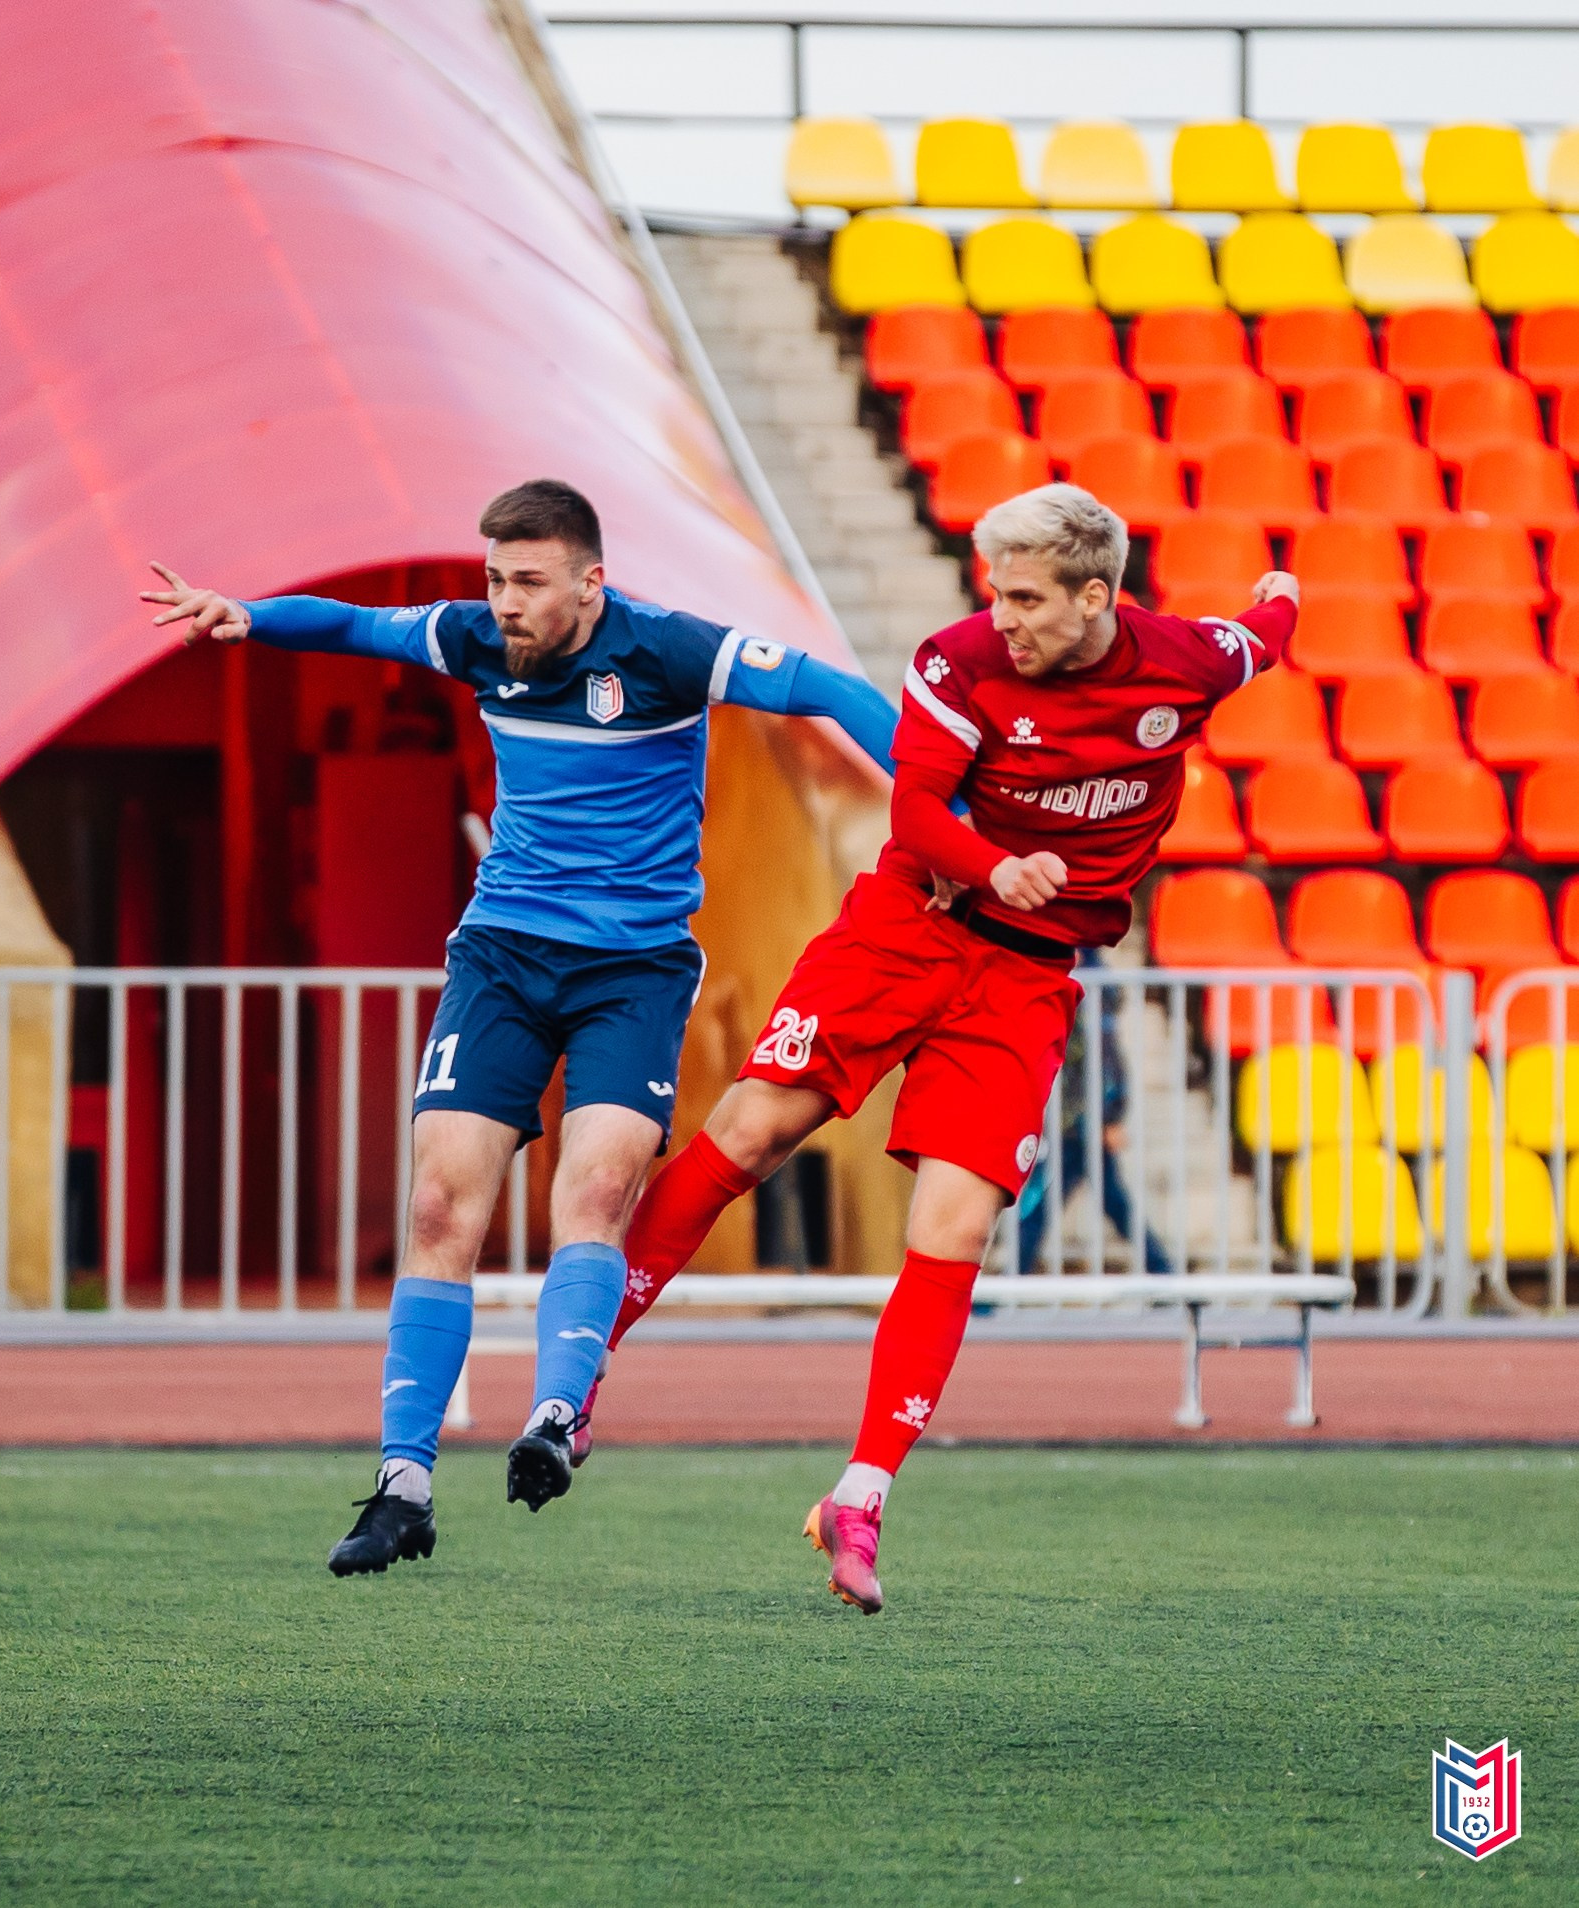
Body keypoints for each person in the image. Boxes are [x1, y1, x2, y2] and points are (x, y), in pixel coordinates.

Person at [141, 479, 898, 1576]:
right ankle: (403, 1487)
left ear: (590, 582)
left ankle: (553, 1415)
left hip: (632, 971)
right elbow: (354, 629)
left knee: (593, 1192)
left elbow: (829, 686)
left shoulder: (670, 651)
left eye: (528, 582)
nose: (503, 602)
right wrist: (248, 613)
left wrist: (941, 802)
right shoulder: (475, 639)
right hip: (499, 958)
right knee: (441, 1202)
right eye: (495, 578)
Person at [584, 483, 1297, 1613]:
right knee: (752, 1130)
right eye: (993, 591)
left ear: (1096, 596)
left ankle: (860, 1495)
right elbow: (913, 809)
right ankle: (582, 1367)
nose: (1000, 614)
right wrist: (991, 864)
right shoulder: (959, 662)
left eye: (1023, 596)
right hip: (908, 926)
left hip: (1025, 978)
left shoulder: (1184, 664)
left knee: (956, 1224)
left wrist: (1279, 593)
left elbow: (1259, 640)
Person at [1014, 952, 1172, 1277]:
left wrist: (1108, 1116)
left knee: (1039, 1205)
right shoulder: (1081, 973)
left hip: (1080, 1122)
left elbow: (1107, 1060)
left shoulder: (1088, 982)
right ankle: (1164, 1274)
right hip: (1079, 1117)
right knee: (1114, 1203)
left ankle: (1001, 1289)